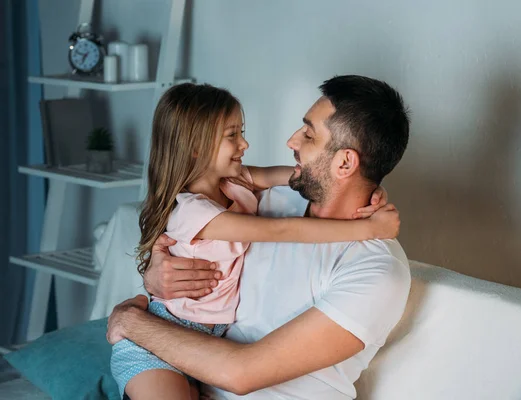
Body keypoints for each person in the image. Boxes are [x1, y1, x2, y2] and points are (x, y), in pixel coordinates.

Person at [107, 75, 411, 400]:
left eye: (308, 134)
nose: (291, 141)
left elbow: (240, 374)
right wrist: (156, 269)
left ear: (346, 162)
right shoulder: (269, 202)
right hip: (180, 370)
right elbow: (192, 221)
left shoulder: (376, 270)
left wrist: (129, 321)